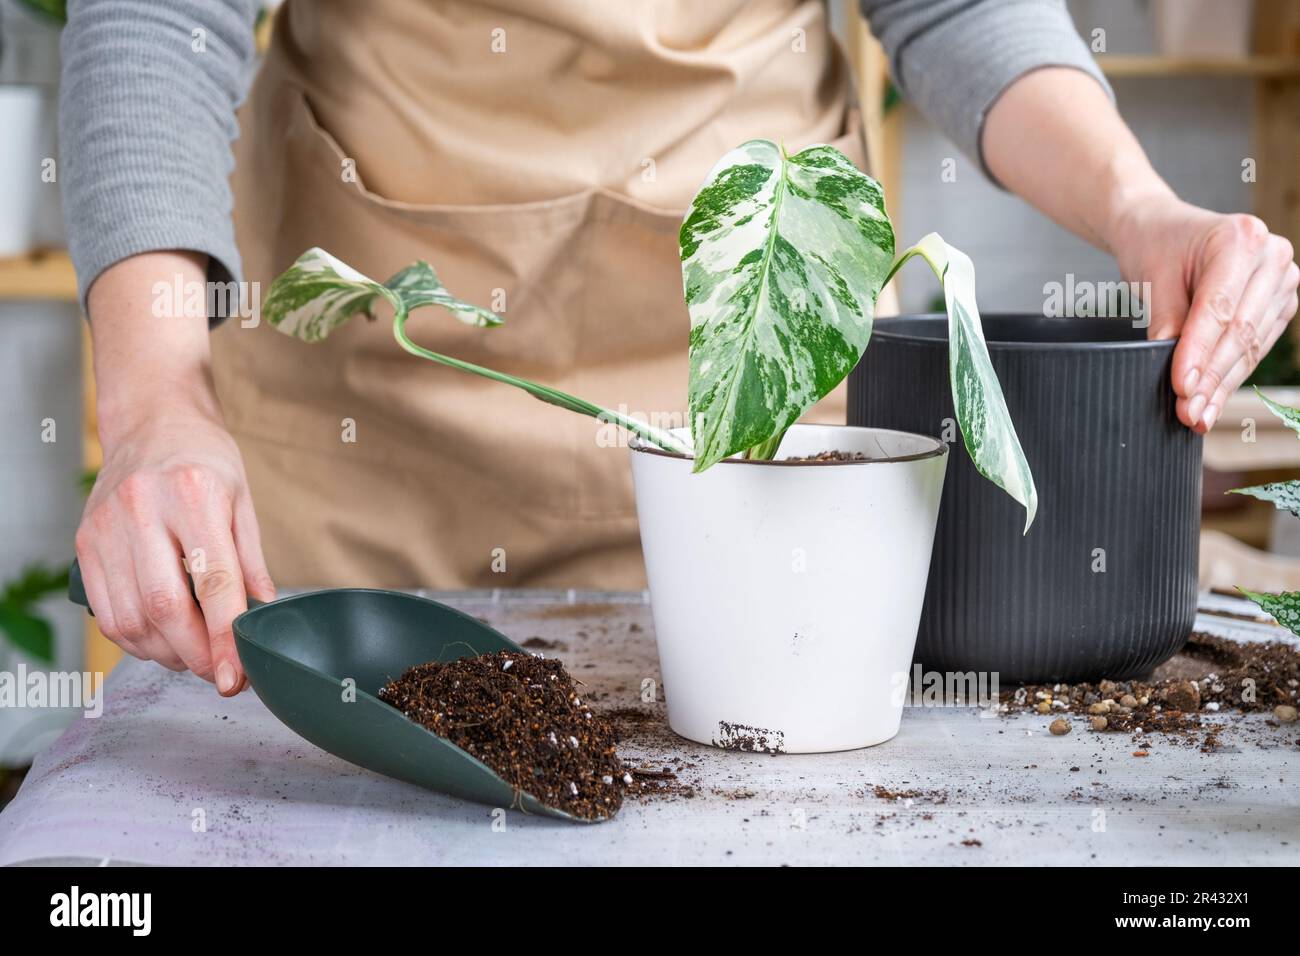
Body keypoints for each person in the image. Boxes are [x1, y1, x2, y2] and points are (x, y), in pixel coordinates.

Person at [62, 0, 1298, 696]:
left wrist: (1139, 209)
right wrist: (161, 394)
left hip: (741, 398)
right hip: (378, 405)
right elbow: (155, 21)